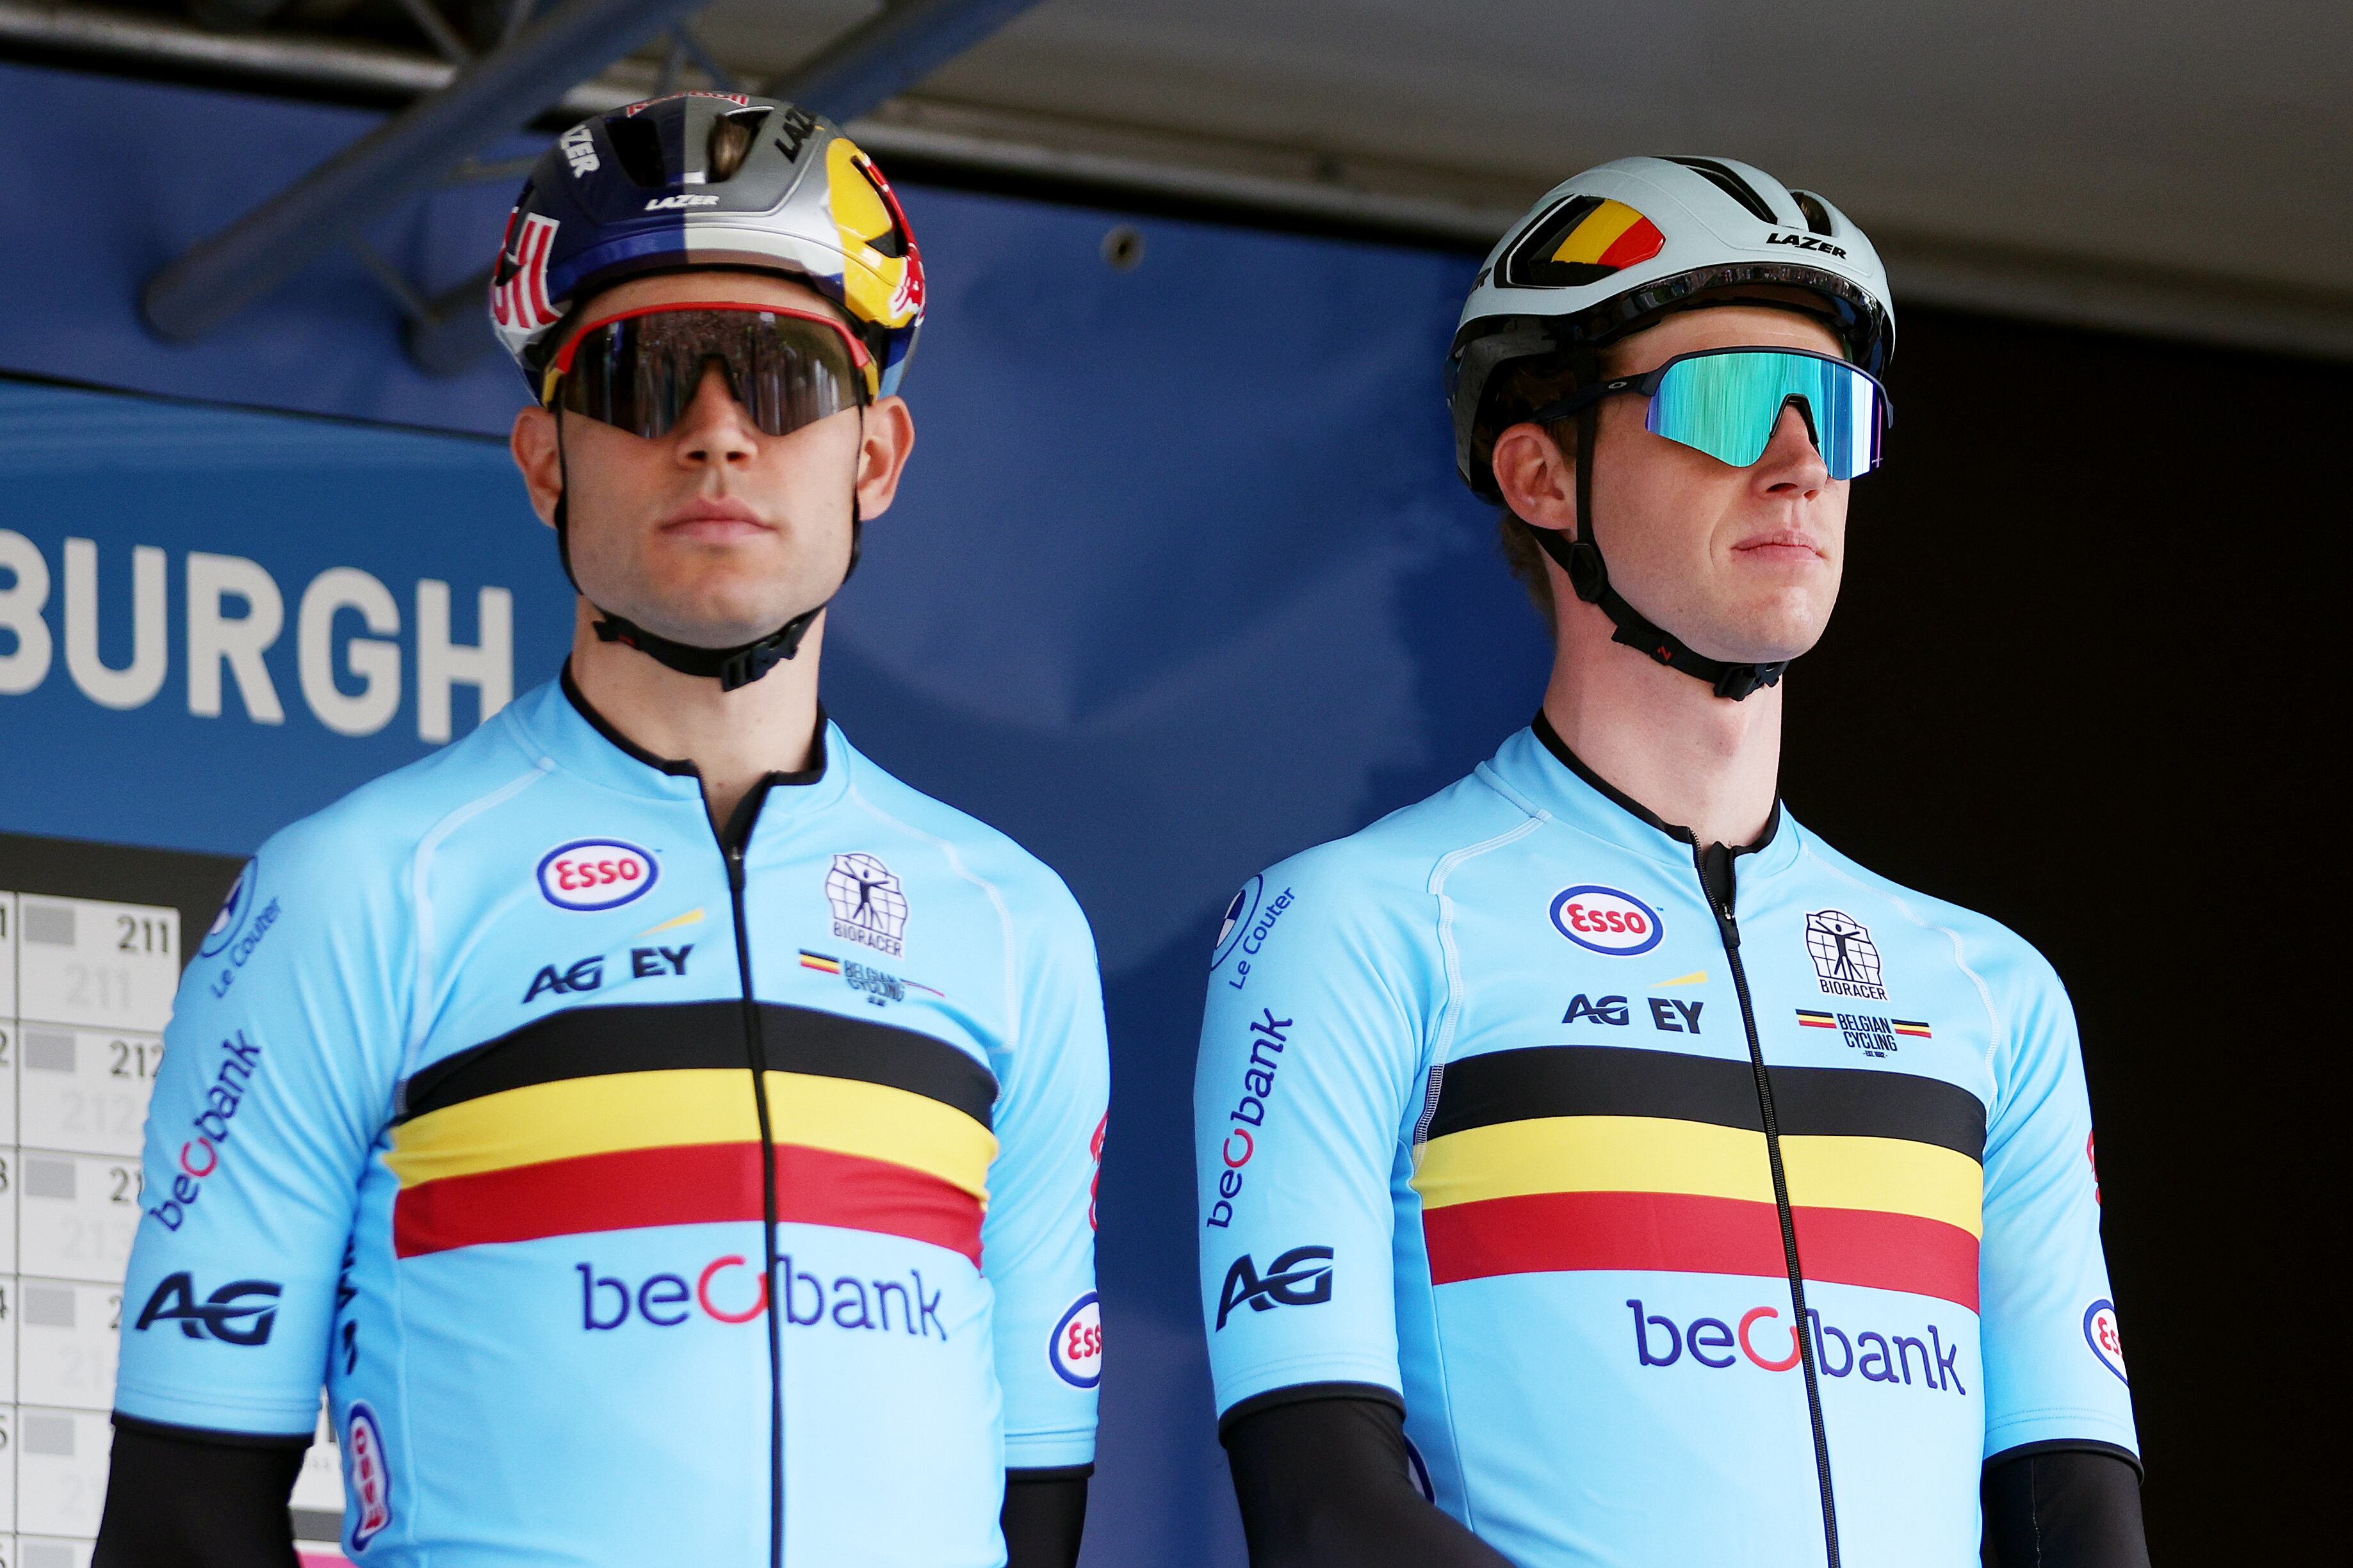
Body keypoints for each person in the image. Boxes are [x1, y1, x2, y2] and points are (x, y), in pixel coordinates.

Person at [96, 93, 1108, 1568]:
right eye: (643, 381)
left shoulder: (1010, 920)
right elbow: (182, 1520)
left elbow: (1038, 1510)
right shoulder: (357, 890)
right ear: (545, 460)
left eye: (777, 379)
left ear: (874, 458)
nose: (714, 436)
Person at [1194, 156, 2146, 1567]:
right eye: (1718, 401)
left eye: (1831, 408)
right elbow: (1325, 1513)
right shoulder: (1358, 924)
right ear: (1539, 474)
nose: (1797, 461)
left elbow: (2074, 1518)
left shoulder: (1985, 987)